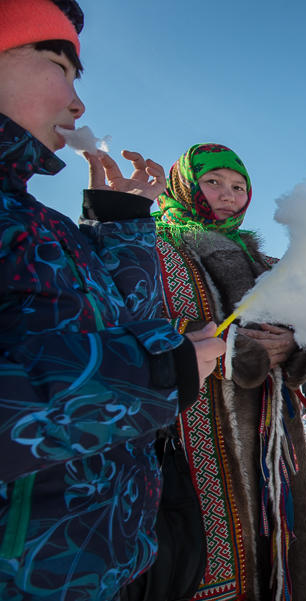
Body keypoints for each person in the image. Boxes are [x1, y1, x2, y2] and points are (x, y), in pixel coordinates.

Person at [0, 1, 226, 599]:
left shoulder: (36, 221)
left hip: (101, 565)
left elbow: (117, 325)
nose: (79, 104)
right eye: (57, 64)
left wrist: (121, 226)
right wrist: (154, 371)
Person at [133, 143, 306, 600]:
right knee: (205, 560)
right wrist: (229, 351)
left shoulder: (267, 265)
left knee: (280, 552)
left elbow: (305, 333)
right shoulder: (152, 249)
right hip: (192, 439)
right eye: (213, 182)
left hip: (274, 441)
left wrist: (296, 344)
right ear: (185, 185)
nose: (228, 195)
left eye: (239, 187)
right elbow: (139, 326)